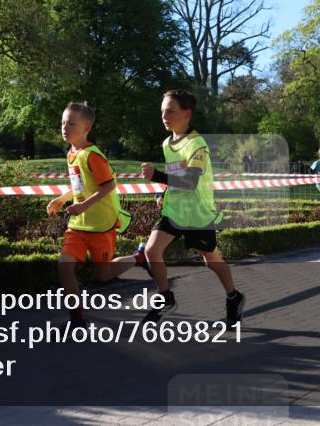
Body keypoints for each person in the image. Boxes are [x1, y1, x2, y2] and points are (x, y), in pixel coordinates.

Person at [110, 90, 245, 326]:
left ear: (187, 114)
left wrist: (156, 175)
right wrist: (162, 192)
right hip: (174, 210)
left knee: (210, 260)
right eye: (163, 111)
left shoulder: (197, 144)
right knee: (152, 251)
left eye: (170, 111)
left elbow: (190, 181)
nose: (165, 116)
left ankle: (234, 296)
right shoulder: (167, 143)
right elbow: (175, 174)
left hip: (197, 214)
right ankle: (166, 297)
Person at [46, 102, 128, 324]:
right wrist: (62, 199)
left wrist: (83, 205)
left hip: (101, 224)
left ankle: (140, 258)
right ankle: (77, 320)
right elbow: (79, 187)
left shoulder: (92, 155)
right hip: (79, 225)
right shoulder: (72, 153)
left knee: (102, 275)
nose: (65, 127)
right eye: (63, 122)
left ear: (86, 127)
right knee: (64, 266)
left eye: (71, 123)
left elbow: (109, 186)